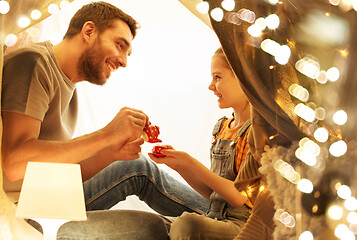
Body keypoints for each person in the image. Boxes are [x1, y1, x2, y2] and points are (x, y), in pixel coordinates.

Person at [1, 2, 190, 239]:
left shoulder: (67, 83)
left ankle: (229, 221)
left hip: (43, 196)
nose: (124, 61)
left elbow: (53, 171)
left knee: (136, 166)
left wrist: (111, 153)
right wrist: (106, 135)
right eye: (120, 45)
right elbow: (15, 164)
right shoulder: (33, 63)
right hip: (25, 211)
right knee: (153, 228)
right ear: (88, 31)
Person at [71, 47, 253, 240]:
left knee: (185, 224)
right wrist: (179, 165)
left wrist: (189, 162)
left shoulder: (256, 134)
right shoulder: (223, 127)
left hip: (240, 225)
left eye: (218, 77)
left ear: (243, 78)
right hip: (214, 215)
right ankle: (65, 228)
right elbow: (214, 194)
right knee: (156, 224)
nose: (210, 86)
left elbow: (240, 197)